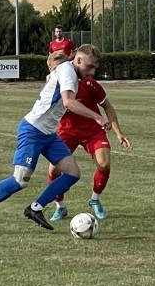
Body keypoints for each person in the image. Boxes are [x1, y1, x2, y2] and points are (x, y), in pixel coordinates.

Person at [0, 44, 110, 235]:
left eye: (94, 68)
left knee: (73, 173)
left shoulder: (69, 72)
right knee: (20, 180)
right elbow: (69, 102)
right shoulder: (67, 71)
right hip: (33, 130)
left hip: (48, 134)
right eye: (90, 66)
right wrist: (97, 117)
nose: (92, 71)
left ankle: (35, 208)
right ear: (78, 60)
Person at [47, 67, 132, 221]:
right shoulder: (54, 87)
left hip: (92, 131)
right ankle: (60, 206)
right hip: (67, 132)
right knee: (54, 170)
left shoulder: (89, 84)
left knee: (104, 163)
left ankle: (95, 199)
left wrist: (119, 133)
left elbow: (108, 106)